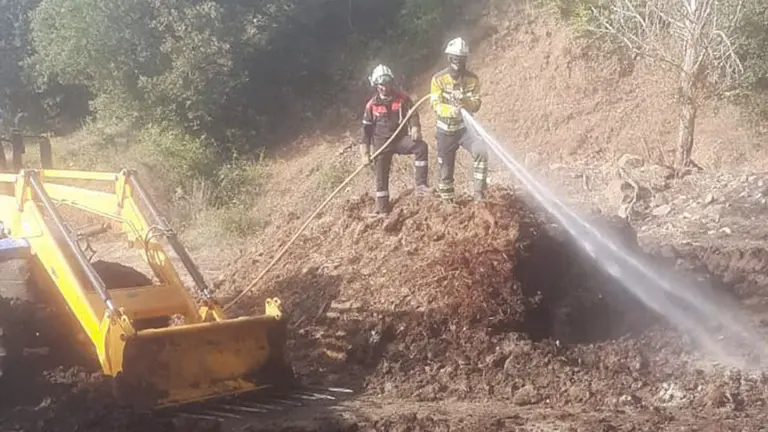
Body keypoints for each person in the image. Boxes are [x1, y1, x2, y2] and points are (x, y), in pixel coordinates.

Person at [361, 64, 429, 214]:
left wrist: (415, 127)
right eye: (381, 85)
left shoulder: (402, 98)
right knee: (381, 179)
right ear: (376, 85)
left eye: (387, 83)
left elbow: (413, 113)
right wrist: (364, 154)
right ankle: (383, 209)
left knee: (421, 147)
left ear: (392, 82)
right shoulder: (371, 106)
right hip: (381, 147)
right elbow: (366, 132)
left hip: (399, 140)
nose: (385, 87)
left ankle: (421, 186)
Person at [430, 37, 487, 203]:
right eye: (455, 59)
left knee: (481, 151)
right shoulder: (438, 79)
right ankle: (448, 202)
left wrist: (466, 104)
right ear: (449, 58)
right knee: (446, 169)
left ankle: (479, 194)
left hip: (465, 130)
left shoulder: (472, 79)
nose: (458, 63)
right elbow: (435, 104)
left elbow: (476, 103)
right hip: (445, 132)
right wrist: (451, 111)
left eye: (461, 59)